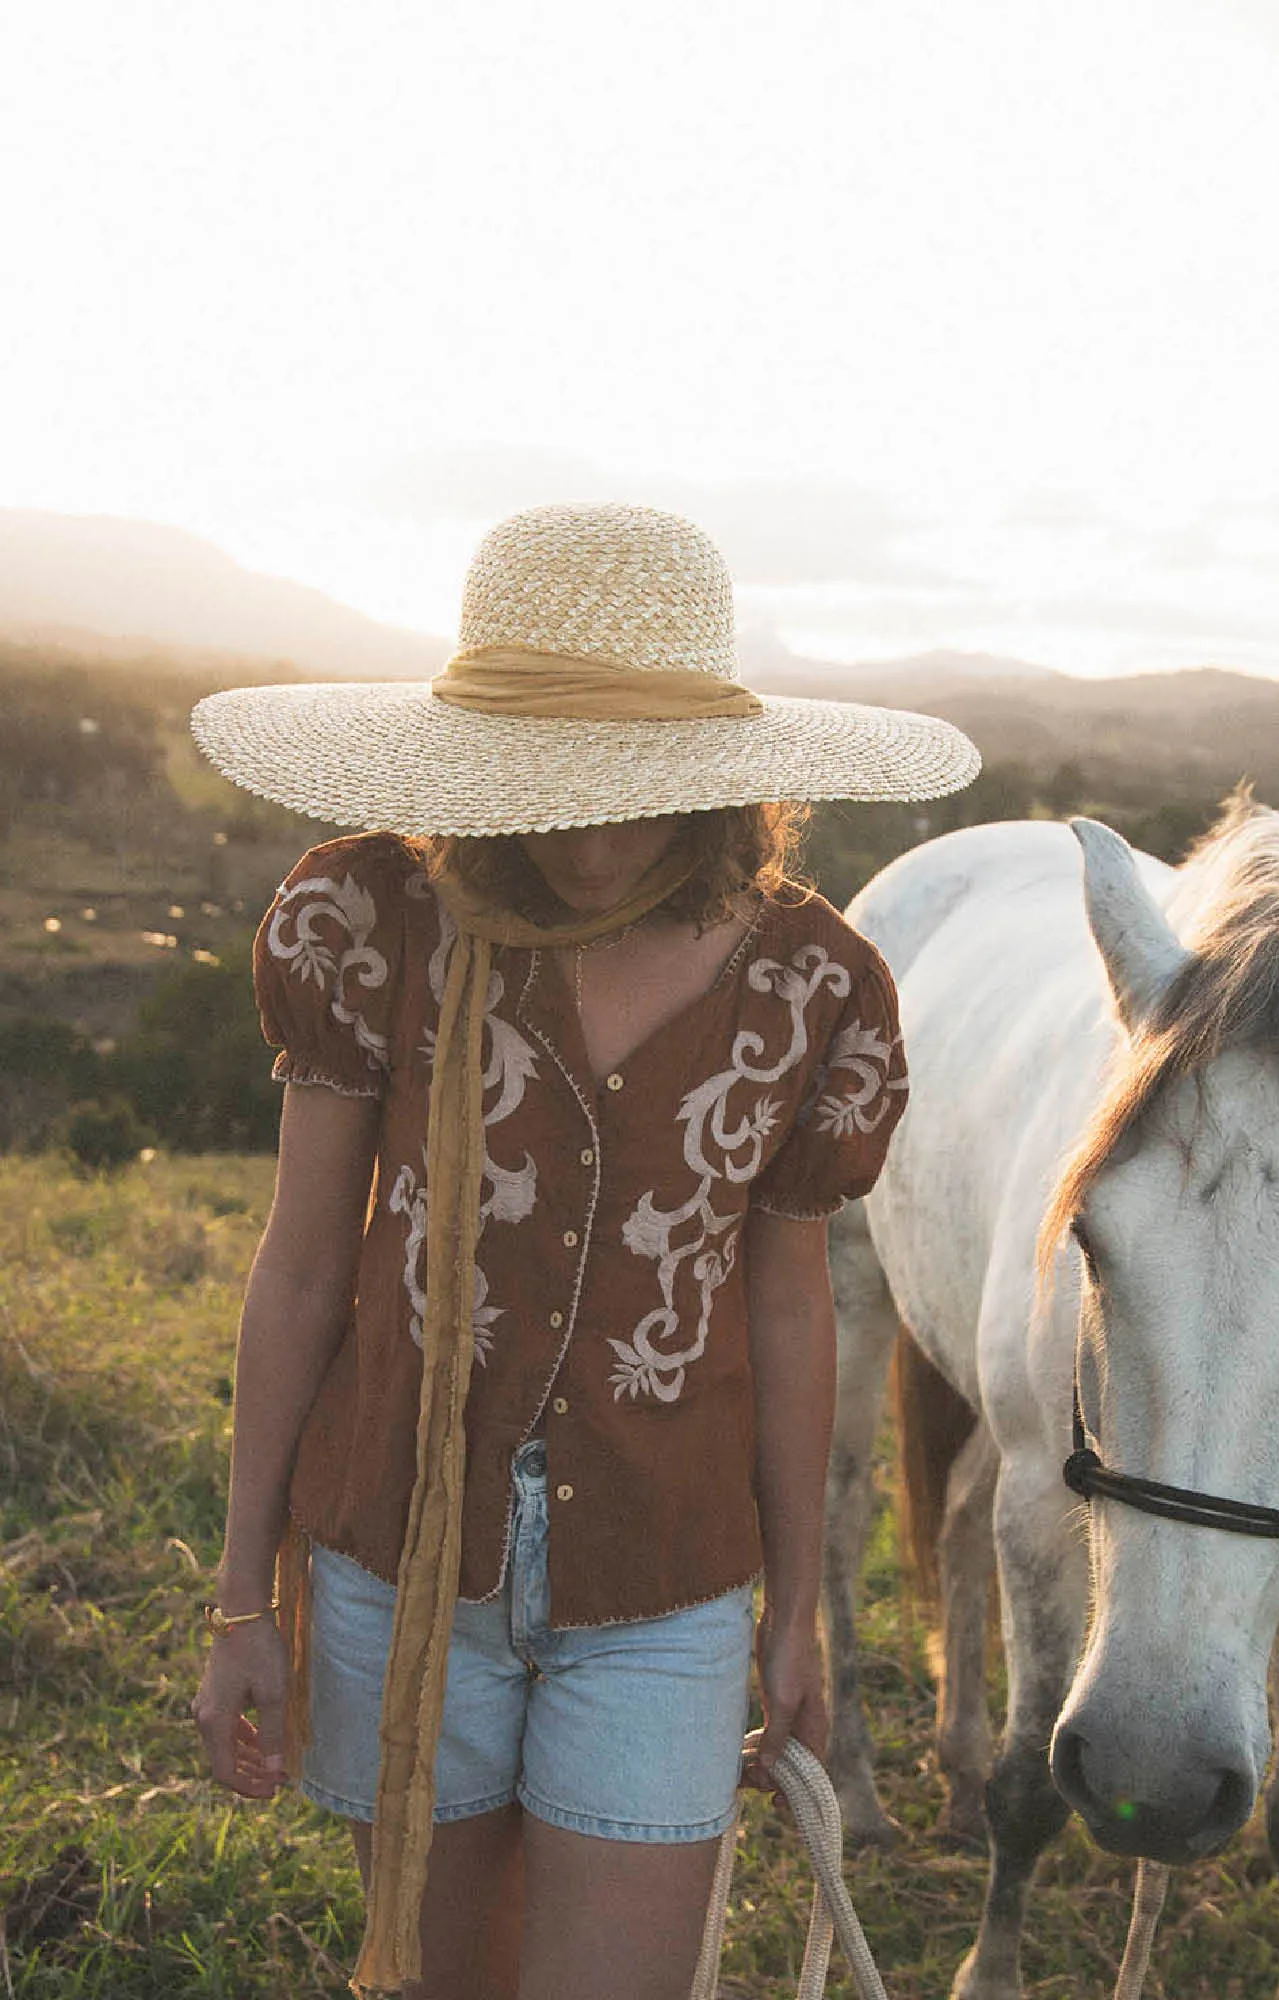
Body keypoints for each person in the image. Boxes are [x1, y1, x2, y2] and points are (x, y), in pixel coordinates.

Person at [186, 503, 979, 2000]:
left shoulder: (814, 987)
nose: (602, 836)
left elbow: (789, 1306)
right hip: (400, 1566)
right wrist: (243, 1595)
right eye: (557, 786)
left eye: (646, 787)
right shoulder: (374, 920)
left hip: (665, 1590)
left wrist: (800, 1606)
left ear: (721, 780)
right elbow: (301, 1267)